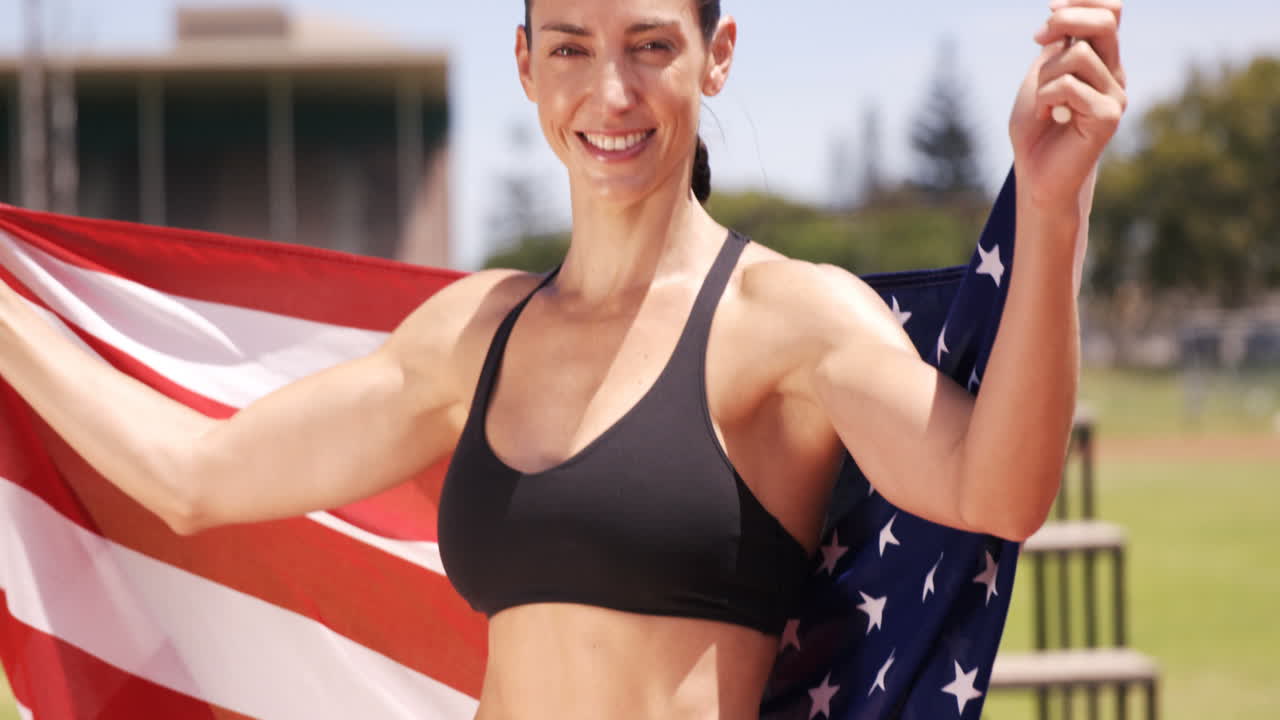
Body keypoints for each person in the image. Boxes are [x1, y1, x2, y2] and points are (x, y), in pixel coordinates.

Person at [0, 0, 1126, 718]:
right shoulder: (471, 335)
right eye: (572, 48)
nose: (611, 93)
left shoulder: (790, 322)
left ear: (715, 56)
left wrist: (1051, 205)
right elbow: (195, 478)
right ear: (526, 63)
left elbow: (997, 489)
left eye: (649, 46)